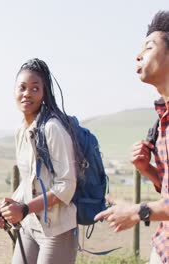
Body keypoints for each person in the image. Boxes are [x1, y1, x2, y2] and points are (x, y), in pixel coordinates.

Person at [94, 10, 169, 264]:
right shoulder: (161, 120)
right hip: (163, 247)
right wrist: (146, 169)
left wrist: (139, 211)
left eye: (149, 47)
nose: (138, 55)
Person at [0, 58, 80, 264]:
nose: (27, 93)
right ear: (14, 91)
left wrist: (24, 209)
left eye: (35, 88)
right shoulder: (21, 130)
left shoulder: (52, 128)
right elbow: (28, 180)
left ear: (44, 93)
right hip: (30, 225)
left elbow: (67, 185)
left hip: (57, 229)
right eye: (22, 87)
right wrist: (9, 209)